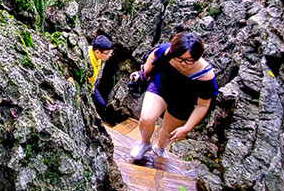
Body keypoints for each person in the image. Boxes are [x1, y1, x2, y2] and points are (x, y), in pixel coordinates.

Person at [129, 32, 218, 160]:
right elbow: (154, 56)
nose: (183, 63)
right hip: (160, 87)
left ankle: (160, 147)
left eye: (189, 61)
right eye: (179, 59)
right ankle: (145, 143)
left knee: (169, 132)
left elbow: (203, 105)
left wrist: (186, 128)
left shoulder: (205, 76)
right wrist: (143, 72)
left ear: (199, 56)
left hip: (183, 102)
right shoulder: (168, 52)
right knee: (146, 118)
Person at [88, 35, 114, 108]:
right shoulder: (87, 59)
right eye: (107, 53)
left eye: (110, 52)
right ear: (97, 52)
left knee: (102, 104)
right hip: (87, 87)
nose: (109, 55)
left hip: (93, 85)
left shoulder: (98, 57)